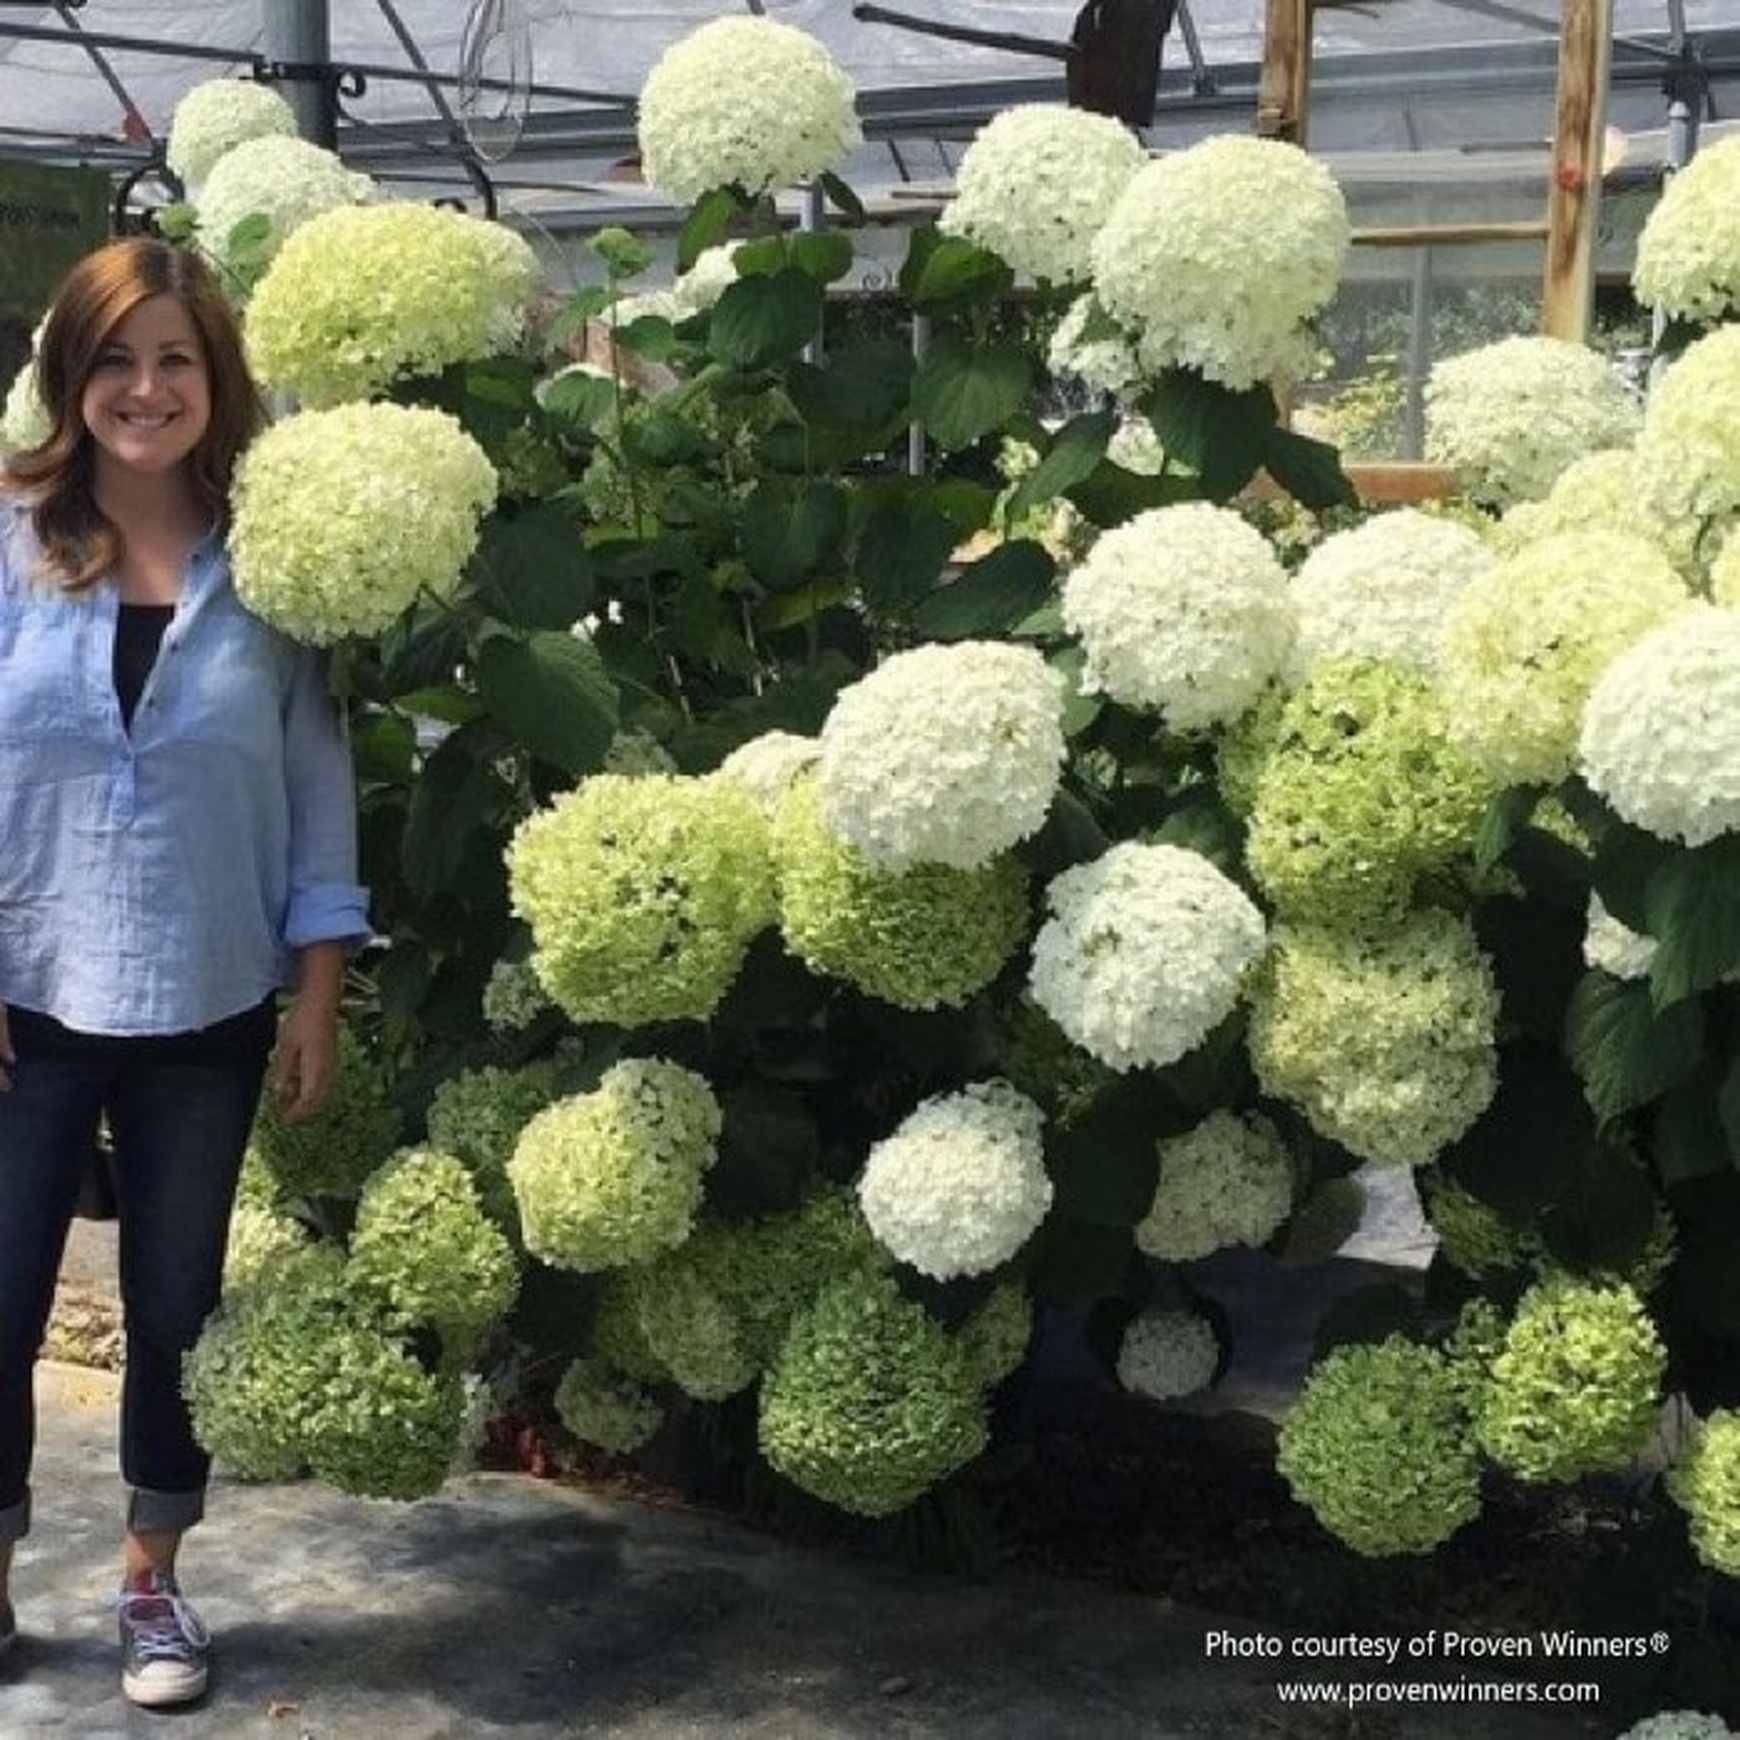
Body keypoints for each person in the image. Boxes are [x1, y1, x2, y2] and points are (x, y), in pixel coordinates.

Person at [0, 237, 369, 1707]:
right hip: (24, 997)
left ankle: (152, 1581)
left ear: (217, 381)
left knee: (173, 1303)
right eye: (115, 359)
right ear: (69, 377)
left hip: (208, 998)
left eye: (175, 360)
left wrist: (319, 987)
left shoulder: (274, 568)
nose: (145, 389)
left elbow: (318, 782)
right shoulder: (10, 537)